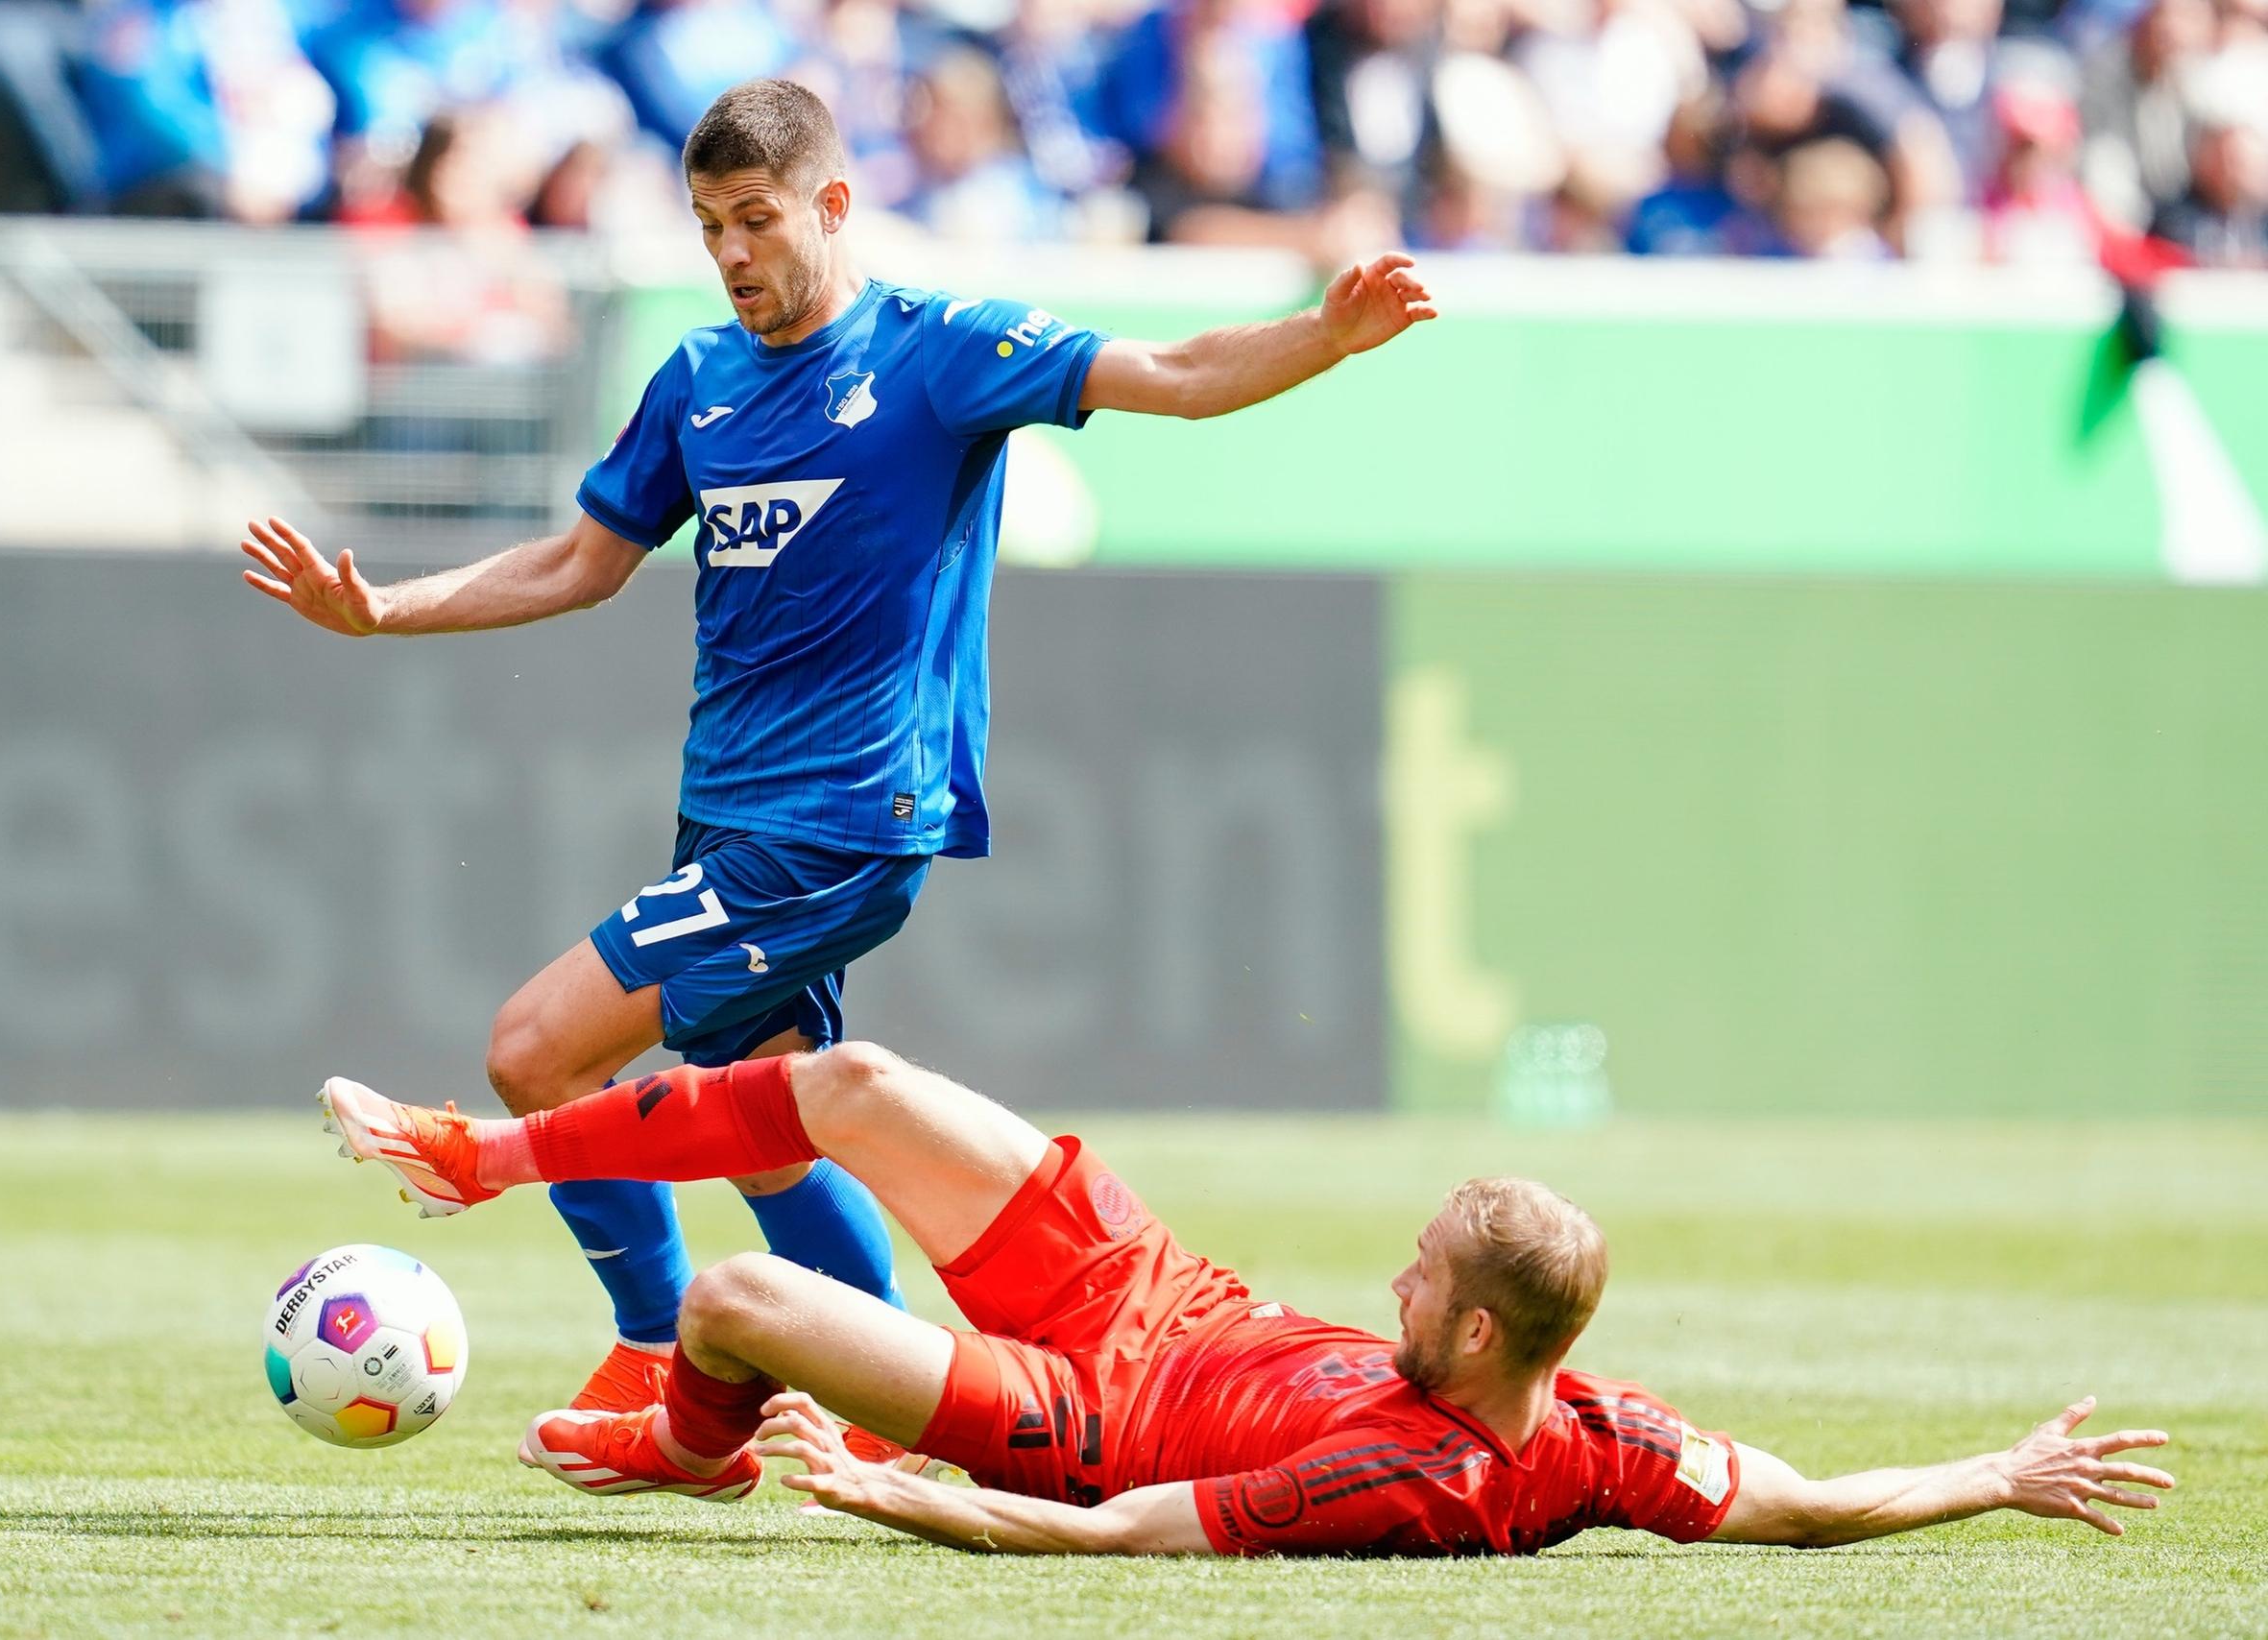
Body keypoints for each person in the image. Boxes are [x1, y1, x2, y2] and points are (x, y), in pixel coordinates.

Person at [240, 75, 1434, 1487]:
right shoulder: (698, 380)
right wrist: (386, 611)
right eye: (706, 227)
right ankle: (874, 1389)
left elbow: (1169, 376)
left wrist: (1327, 337)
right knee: (762, 1109)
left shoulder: (942, 352)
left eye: (755, 219)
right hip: (731, 808)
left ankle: (648, 1357)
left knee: (536, 1051)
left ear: (833, 204)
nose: (733, 252)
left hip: (847, 820)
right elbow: (577, 565)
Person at [316, 1049, 2178, 1555]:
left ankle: (686, 1443)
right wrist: (1991, 1471)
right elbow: (1790, 1497)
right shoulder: (1605, 1436)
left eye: (1419, 1270)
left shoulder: (1405, 1473)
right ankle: (477, 1156)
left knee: (736, 1290)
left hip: (1074, 1420)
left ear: (1460, 1337)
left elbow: (1134, 1528)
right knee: (851, 1078)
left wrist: (923, 1495)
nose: (1390, 1271)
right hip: (1153, 1287)